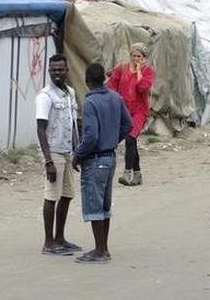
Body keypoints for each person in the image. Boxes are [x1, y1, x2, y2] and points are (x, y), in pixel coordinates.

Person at [72, 63, 133, 264]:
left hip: (95, 158)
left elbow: (90, 135)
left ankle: (99, 250)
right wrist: (113, 139)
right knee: (105, 205)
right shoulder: (115, 98)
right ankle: (103, 248)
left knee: (95, 205)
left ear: (87, 81)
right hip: (111, 157)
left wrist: (78, 154)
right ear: (104, 79)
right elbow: (128, 125)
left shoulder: (90, 103)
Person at [35, 54, 81, 256]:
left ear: (67, 70)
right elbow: (40, 129)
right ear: (49, 71)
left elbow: (73, 123)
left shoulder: (70, 93)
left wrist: (78, 152)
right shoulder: (45, 96)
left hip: (68, 151)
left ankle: (60, 238)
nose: (57, 73)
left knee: (68, 195)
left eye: (60, 70)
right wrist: (48, 161)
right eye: (53, 70)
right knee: (51, 196)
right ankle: (48, 242)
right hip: (53, 152)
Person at [108, 42, 155, 187]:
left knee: (130, 138)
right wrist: (116, 99)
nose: (136, 59)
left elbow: (142, 88)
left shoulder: (148, 72)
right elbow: (111, 85)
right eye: (133, 56)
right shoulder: (121, 69)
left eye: (139, 56)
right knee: (132, 142)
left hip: (139, 111)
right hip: (124, 110)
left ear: (144, 58)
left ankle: (127, 173)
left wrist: (139, 72)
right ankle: (137, 173)